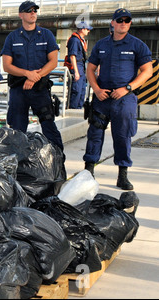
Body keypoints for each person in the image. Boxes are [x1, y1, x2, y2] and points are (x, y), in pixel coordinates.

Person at [83, 8, 152, 190]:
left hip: (124, 99)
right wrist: (96, 89)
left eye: (127, 21)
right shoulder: (101, 45)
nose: (123, 23)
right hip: (102, 98)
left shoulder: (137, 45)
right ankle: (88, 173)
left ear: (130, 23)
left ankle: (122, 175)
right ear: (112, 23)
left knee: (122, 136)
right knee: (94, 135)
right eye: (119, 20)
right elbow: (90, 69)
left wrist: (127, 88)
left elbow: (148, 71)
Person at [1, 1, 64, 150]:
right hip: (19, 90)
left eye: (35, 10)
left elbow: (53, 61)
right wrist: (27, 74)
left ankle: (58, 159)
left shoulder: (46, 35)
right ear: (21, 15)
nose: (33, 13)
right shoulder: (12, 37)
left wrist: (36, 76)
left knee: (49, 124)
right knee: (16, 129)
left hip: (40, 89)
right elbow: (6, 66)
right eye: (29, 11)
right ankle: (16, 163)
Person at [65, 21, 92, 109]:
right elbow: (72, 56)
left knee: (82, 90)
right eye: (87, 29)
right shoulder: (74, 40)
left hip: (81, 66)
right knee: (76, 90)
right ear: (82, 29)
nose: (88, 31)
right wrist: (76, 72)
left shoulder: (81, 40)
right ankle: (73, 108)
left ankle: (79, 107)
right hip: (77, 66)